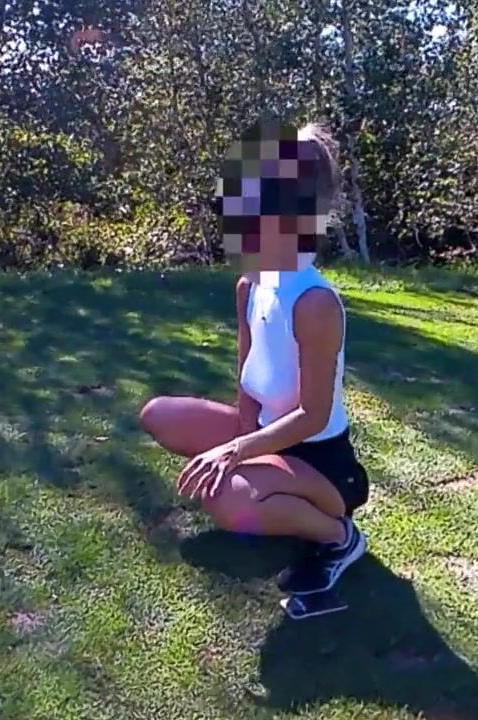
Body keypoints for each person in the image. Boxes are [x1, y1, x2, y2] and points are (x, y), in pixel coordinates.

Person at [139, 119, 369, 595]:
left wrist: (236, 453)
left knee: (226, 502)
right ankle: (266, 489)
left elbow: (313, 415)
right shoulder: (250, 286)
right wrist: (244, 440)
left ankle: (338, 536)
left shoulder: (315, 303)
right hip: (268, 438)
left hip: (323, 466)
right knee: (159, 415)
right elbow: (248, 381)